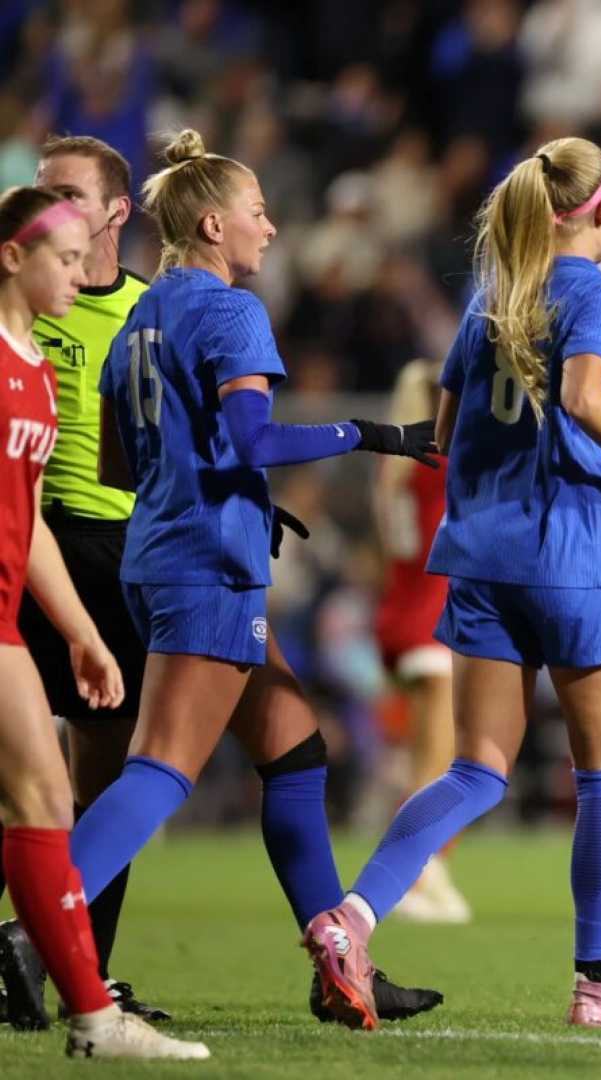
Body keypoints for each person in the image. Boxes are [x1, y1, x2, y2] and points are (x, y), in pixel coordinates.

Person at [302, 136, 601, 1031]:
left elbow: (442, 426)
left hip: (480, 553)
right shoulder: (597, 292)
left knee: (477, 767)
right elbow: (589, 395)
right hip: (577, 554)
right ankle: (596, 992)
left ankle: (350, 919)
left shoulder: (492, 297)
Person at [67, 129, 444, 1021]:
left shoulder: (140, 314)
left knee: (297, 750)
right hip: (208, 564)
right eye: (258, 211)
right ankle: (37, 926)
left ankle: (339, 960)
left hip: (156, 553)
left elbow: (125, 463)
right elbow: (254, 441)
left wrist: (241, 501)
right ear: (212, 223)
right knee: (161, 767)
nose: (271, 228)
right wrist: (374, 434)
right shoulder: (232, 312)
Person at [0, 184, 207, 1060]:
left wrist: (82, 631)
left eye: (86, 255)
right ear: (13, 257)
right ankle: (93, 1016)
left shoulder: (36, 369)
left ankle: (92, 1018)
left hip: (7, 622)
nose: (82, 272)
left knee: (46, 798)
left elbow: (29, 519)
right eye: (63, 257)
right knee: (42, 796)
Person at [372, 358, 469, 925]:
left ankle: (427, 867)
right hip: (432, 622)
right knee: (437, 764)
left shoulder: (396, 466)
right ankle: (416, 869)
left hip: (397, 615)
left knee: (428, 757)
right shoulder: (439, 459)